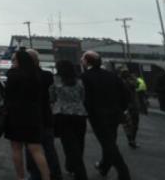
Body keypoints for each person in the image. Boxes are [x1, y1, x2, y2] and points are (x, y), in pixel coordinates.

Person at [0, 49, 52, 180]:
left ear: (19, 61)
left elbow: (7, 95)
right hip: (33, 116)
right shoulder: (36, 75)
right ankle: (47, 177)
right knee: (36, 149)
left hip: (15, 116)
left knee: (16, 148)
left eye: (14, 59)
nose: (12, 62)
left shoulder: (13, 74)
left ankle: (20, 177)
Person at [80, 51, 130, 179]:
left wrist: (87, 113)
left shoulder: (85, 77)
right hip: (114, 113)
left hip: (98, 116)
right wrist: (121, 108)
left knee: (108, 144)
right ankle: (104, 167)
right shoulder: (112, 75)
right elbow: (125, 93)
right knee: (110, 141)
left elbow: (86, 98)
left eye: (83, 59)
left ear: (87, 61)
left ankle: (123, 172)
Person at [24, 51, 62, 180]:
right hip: (47, 116)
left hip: (30, 118)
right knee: (49, 148)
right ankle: (55, 174)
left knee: (32, 149)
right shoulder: (48, 75)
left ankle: (35, 175)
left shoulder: (25, 77)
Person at [51, 60, 88, 180]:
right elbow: (83, 97)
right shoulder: (80, 82)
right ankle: (73, 167)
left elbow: (52, 97)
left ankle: (79, 172)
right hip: (80, 114)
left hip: (62, 115)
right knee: (79, 142)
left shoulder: (56, 81)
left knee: (68, 144)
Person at [119, 69, 141, 149]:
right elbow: (136, 84)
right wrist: (134, 77)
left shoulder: (120, 82)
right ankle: (132, 140)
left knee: (126, 124)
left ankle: (130, 139)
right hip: (132, 106)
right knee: (134, 124)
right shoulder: (129, 83)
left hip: (124, 106)